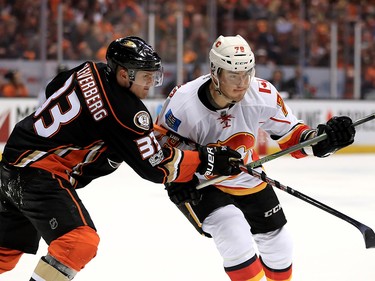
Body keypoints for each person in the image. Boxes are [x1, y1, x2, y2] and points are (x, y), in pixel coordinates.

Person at [0, 36, 242, 281]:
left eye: (153, 76)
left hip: (11, 161)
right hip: (37, 173)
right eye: (145, 76)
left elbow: (56, 87)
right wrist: (206, 159)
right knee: (78, 242)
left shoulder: (89, 69)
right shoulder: (127, 112)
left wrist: (105, 132)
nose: (151, 84)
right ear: (124, 74)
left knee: (5, 252)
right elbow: (156, 167)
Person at [155, 35, 355, 281]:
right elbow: (161, 152)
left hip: (245, 176)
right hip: (199, 182)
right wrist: (178, 181)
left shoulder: (262, 93)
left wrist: (322, 140)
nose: (242, 83)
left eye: (247, 73)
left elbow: (293, 137)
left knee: (280, 247)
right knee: (234, 234)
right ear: (215, 72)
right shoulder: (184, 102)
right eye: (233, 75)